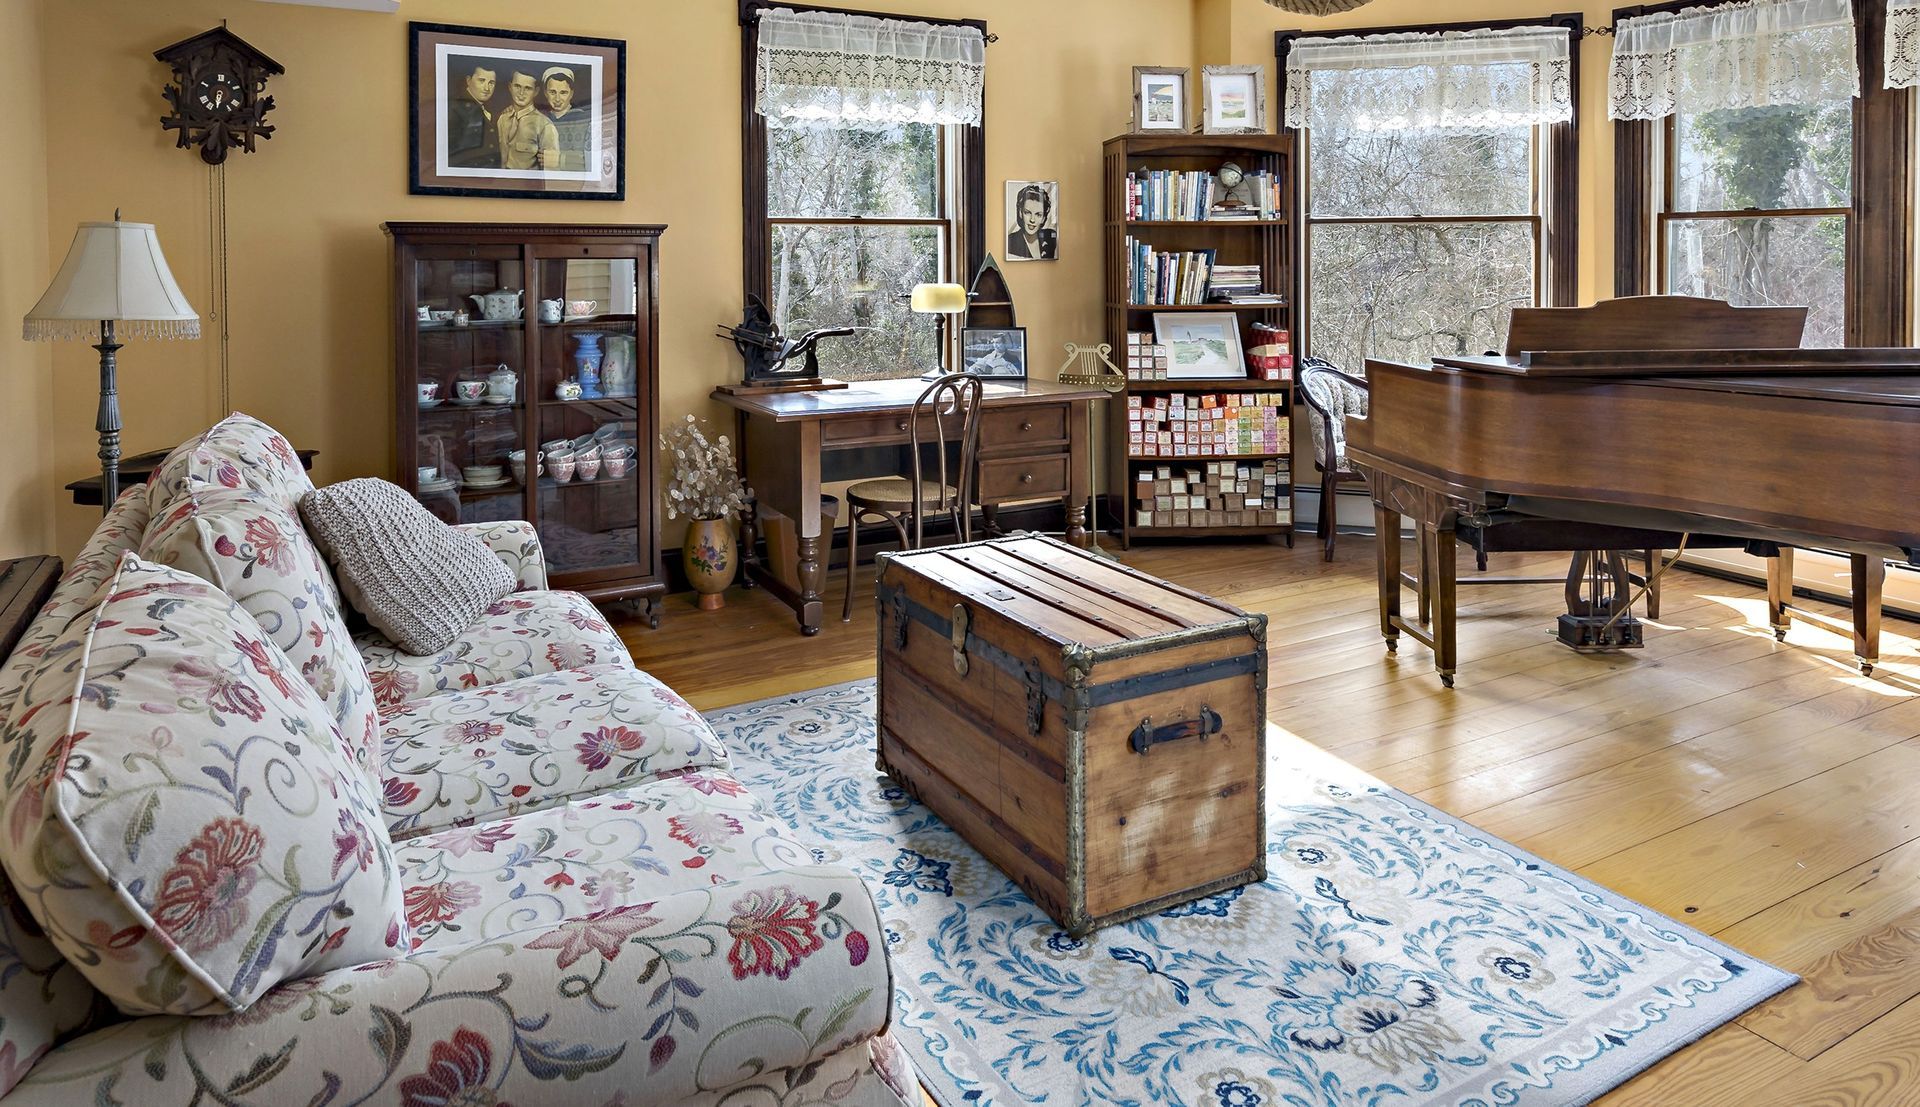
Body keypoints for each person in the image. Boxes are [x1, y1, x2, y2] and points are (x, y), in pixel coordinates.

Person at [497, 70, 559, 171]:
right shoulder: (502, 120)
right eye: (517, 86)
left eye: (528, 88)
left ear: (536, 91)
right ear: (510, 87)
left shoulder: (544, 125)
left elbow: (551, 170)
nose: (521, 93)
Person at [447, 62, 500, 168]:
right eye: (481, 81)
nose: (487, 88)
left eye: (491, 83)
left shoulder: (486, 109)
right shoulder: (455, 108)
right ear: (468, 80)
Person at [543, 66, 591, 173]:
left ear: (571, 93)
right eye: (552, 92)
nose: (557, 99)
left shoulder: (584, 120)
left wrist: (560, 159)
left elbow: (591, 160)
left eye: (563, 92)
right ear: (545, 93)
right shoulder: (540, 120)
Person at [1006, 183, 1057, 260]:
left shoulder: (1051, 237)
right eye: (1027, 213)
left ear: (1043, 218)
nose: (1032, 220)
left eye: (1038, 214)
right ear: (1020, 213)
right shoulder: (1010, 241)